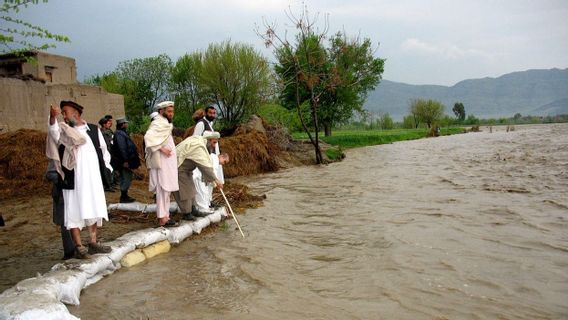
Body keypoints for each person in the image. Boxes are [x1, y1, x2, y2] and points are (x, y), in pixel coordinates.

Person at [46, 101, 112, 259]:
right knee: (74, 209)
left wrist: (108, 168)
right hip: (73, 179)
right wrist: (53, 118)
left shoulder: (94, 130)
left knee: (94, 207)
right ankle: (78, 246)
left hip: (92, 178)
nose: (64, 115)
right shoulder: (64, 130)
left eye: (65, 112)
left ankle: (93, 242)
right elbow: (53, 132)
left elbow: (104, 151)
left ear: (76, 112)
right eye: (62, 113)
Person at [174, 131, 223, 221]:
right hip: (178, 167)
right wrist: (216, 180)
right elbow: (205, 168)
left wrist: (214, 181)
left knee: (192, 189)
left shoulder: (200, 141)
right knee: (185, 191)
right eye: (214, 142)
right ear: (208, 140)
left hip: (186, 170)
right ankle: (187, 213)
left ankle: (193, 209)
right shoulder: (199, 146)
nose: (214, 146)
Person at [144, 101, 179, 227]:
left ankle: (166, 215)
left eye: (172, 111)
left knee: (167, 190)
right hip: (162, 162)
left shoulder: (165, 123)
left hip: (168, 162)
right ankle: (162, 218)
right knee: (162, 189)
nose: (171, 114)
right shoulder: (157, 123)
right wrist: (162, 148)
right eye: (169, 111)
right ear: (161, 111)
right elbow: (148, 138)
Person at [45, 160, 75, 260]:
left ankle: (78, 246)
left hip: (76, 192)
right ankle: (70, 251)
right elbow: (50, 173)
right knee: (65, 222)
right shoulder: (58, 152)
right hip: (62, 193)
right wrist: (65, 181)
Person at [111, 118, 140, 203]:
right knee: (126, 177)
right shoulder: (119, 134)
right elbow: (122, 148)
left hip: (126, 161)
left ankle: (125, 195)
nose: (127, 125)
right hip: (124, 162)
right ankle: (123, 197)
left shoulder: (122, 133)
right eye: (126, 123)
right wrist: (125, 161)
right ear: (122, 124)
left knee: (127, 177)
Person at [98, 116, 115, 192]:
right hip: (105, 152)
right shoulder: (102, 132)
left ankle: (111, 183)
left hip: (110, 152)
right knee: (106, 169)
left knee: (110, 168)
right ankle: (108, 185)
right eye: (108, 123)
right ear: (104, 124)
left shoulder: (109, 131)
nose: (110, 124)